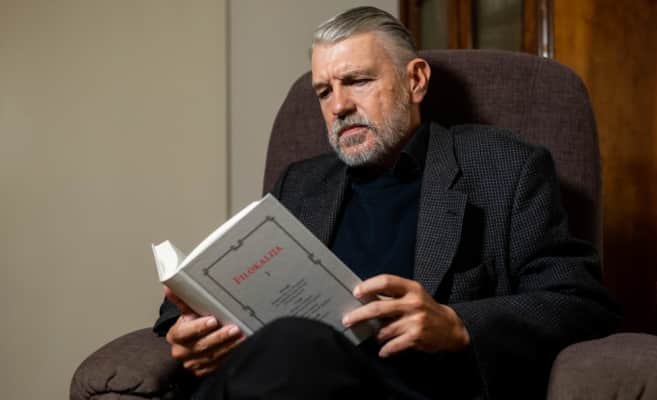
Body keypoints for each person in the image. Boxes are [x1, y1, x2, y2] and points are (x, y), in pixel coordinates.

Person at [154, 6, 620, 399]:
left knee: (293, 343)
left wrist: (457, 323)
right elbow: (228, 289)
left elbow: (580, 304)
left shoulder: (504, 168)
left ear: (415, 81)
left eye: (356, 81)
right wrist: (186, 328)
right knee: (283, 348)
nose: (338, 106)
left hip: (408, 387)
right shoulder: (301, 183)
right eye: (324, 91)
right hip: (284, 378)